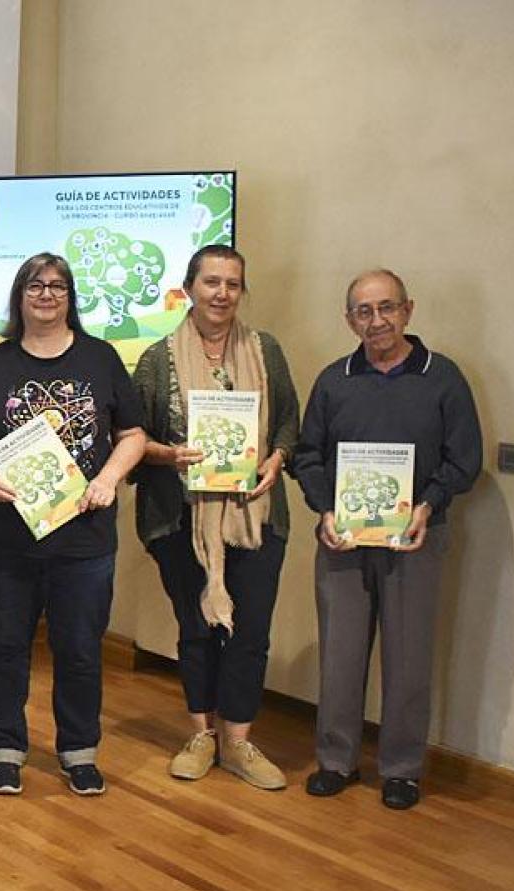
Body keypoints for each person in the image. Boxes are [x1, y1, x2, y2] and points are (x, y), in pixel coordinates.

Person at [0, 252, 146, 798]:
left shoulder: (101, 359)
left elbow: (133, 434)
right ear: (20, 295)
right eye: (36, 285)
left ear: (71, 297)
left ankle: (78, 751)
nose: (47, 295)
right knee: (6, 645)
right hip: (3, 537)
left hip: (83, 536)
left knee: (80, 648)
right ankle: (5, 749)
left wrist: (106, 479)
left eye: (58, 286)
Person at [292, 269, 481, 810]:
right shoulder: (333, 380)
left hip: (414, 540)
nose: (377, 321)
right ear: (349, 319)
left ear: (408, 310)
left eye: (387, 308)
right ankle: (336, 760)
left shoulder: (442, 378)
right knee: (340, 654)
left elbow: (464, 459)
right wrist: (325, 509)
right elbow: (308, 456)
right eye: (363, 311)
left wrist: (427, 506)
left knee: (408, 656)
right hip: (342, 542)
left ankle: (401, 768)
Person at [131, 245, 298, 790]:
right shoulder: (158, 358)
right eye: (211, 282)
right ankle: (203, 734)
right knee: (196, 630)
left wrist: (276, 458)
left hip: (255, 517)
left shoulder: (265, 350)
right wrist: (166, 454)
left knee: (250, 633)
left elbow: (288, 424)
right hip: (180, 519)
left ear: (241, 291)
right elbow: (133, 437)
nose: (222, 293)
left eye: (232, 283)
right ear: (189, 288)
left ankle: (239, 743)